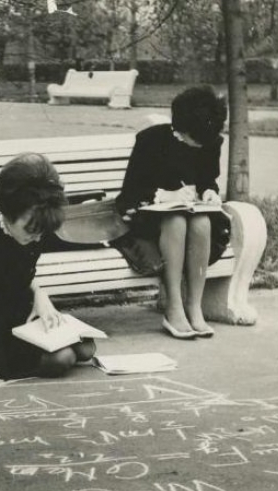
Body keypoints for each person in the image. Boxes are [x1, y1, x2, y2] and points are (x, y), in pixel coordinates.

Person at [0, 153, 95, 381]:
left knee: (87, 348)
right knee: (62, 359)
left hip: (19, 316)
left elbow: (22, 273)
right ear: (8, 212)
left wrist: (40, 295)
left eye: (40, 232)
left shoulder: (35, 230)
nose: (36, 239)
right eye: (30, 229)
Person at [115, 85, 228, 340]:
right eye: (194, 140)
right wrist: (165, 195)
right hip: (147, 223)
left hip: (191, 217)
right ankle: (174, 308)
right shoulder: (151, 141)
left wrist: (209, 192)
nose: (199, 146)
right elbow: (129, 194)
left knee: (201, 222)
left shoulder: (210, 140)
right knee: (176, 220)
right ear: (181, 128)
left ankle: (194, 307)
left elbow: (208, 179)